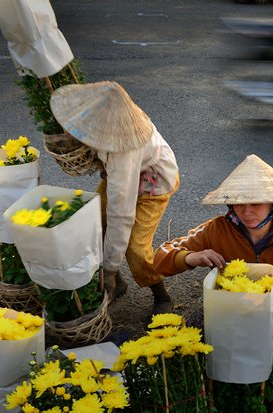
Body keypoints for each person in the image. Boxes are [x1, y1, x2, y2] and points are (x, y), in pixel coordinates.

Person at [154, 154, 273, 413]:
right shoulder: (216, 230)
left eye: (256, 203)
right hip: (226, 325)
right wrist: (191, 257)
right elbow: (159, 258)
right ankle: (206, 391)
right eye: (238, 203)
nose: (246, 211)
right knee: (192, 325)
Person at [50, 80, 179, 314]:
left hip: (152, 184)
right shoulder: (101, 106)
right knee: (93, 223)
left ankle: (160, 295)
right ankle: (119, 283)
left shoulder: (123, 152)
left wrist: (108, 269)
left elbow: (121, 215)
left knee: (135, 247)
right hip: (124, 177)